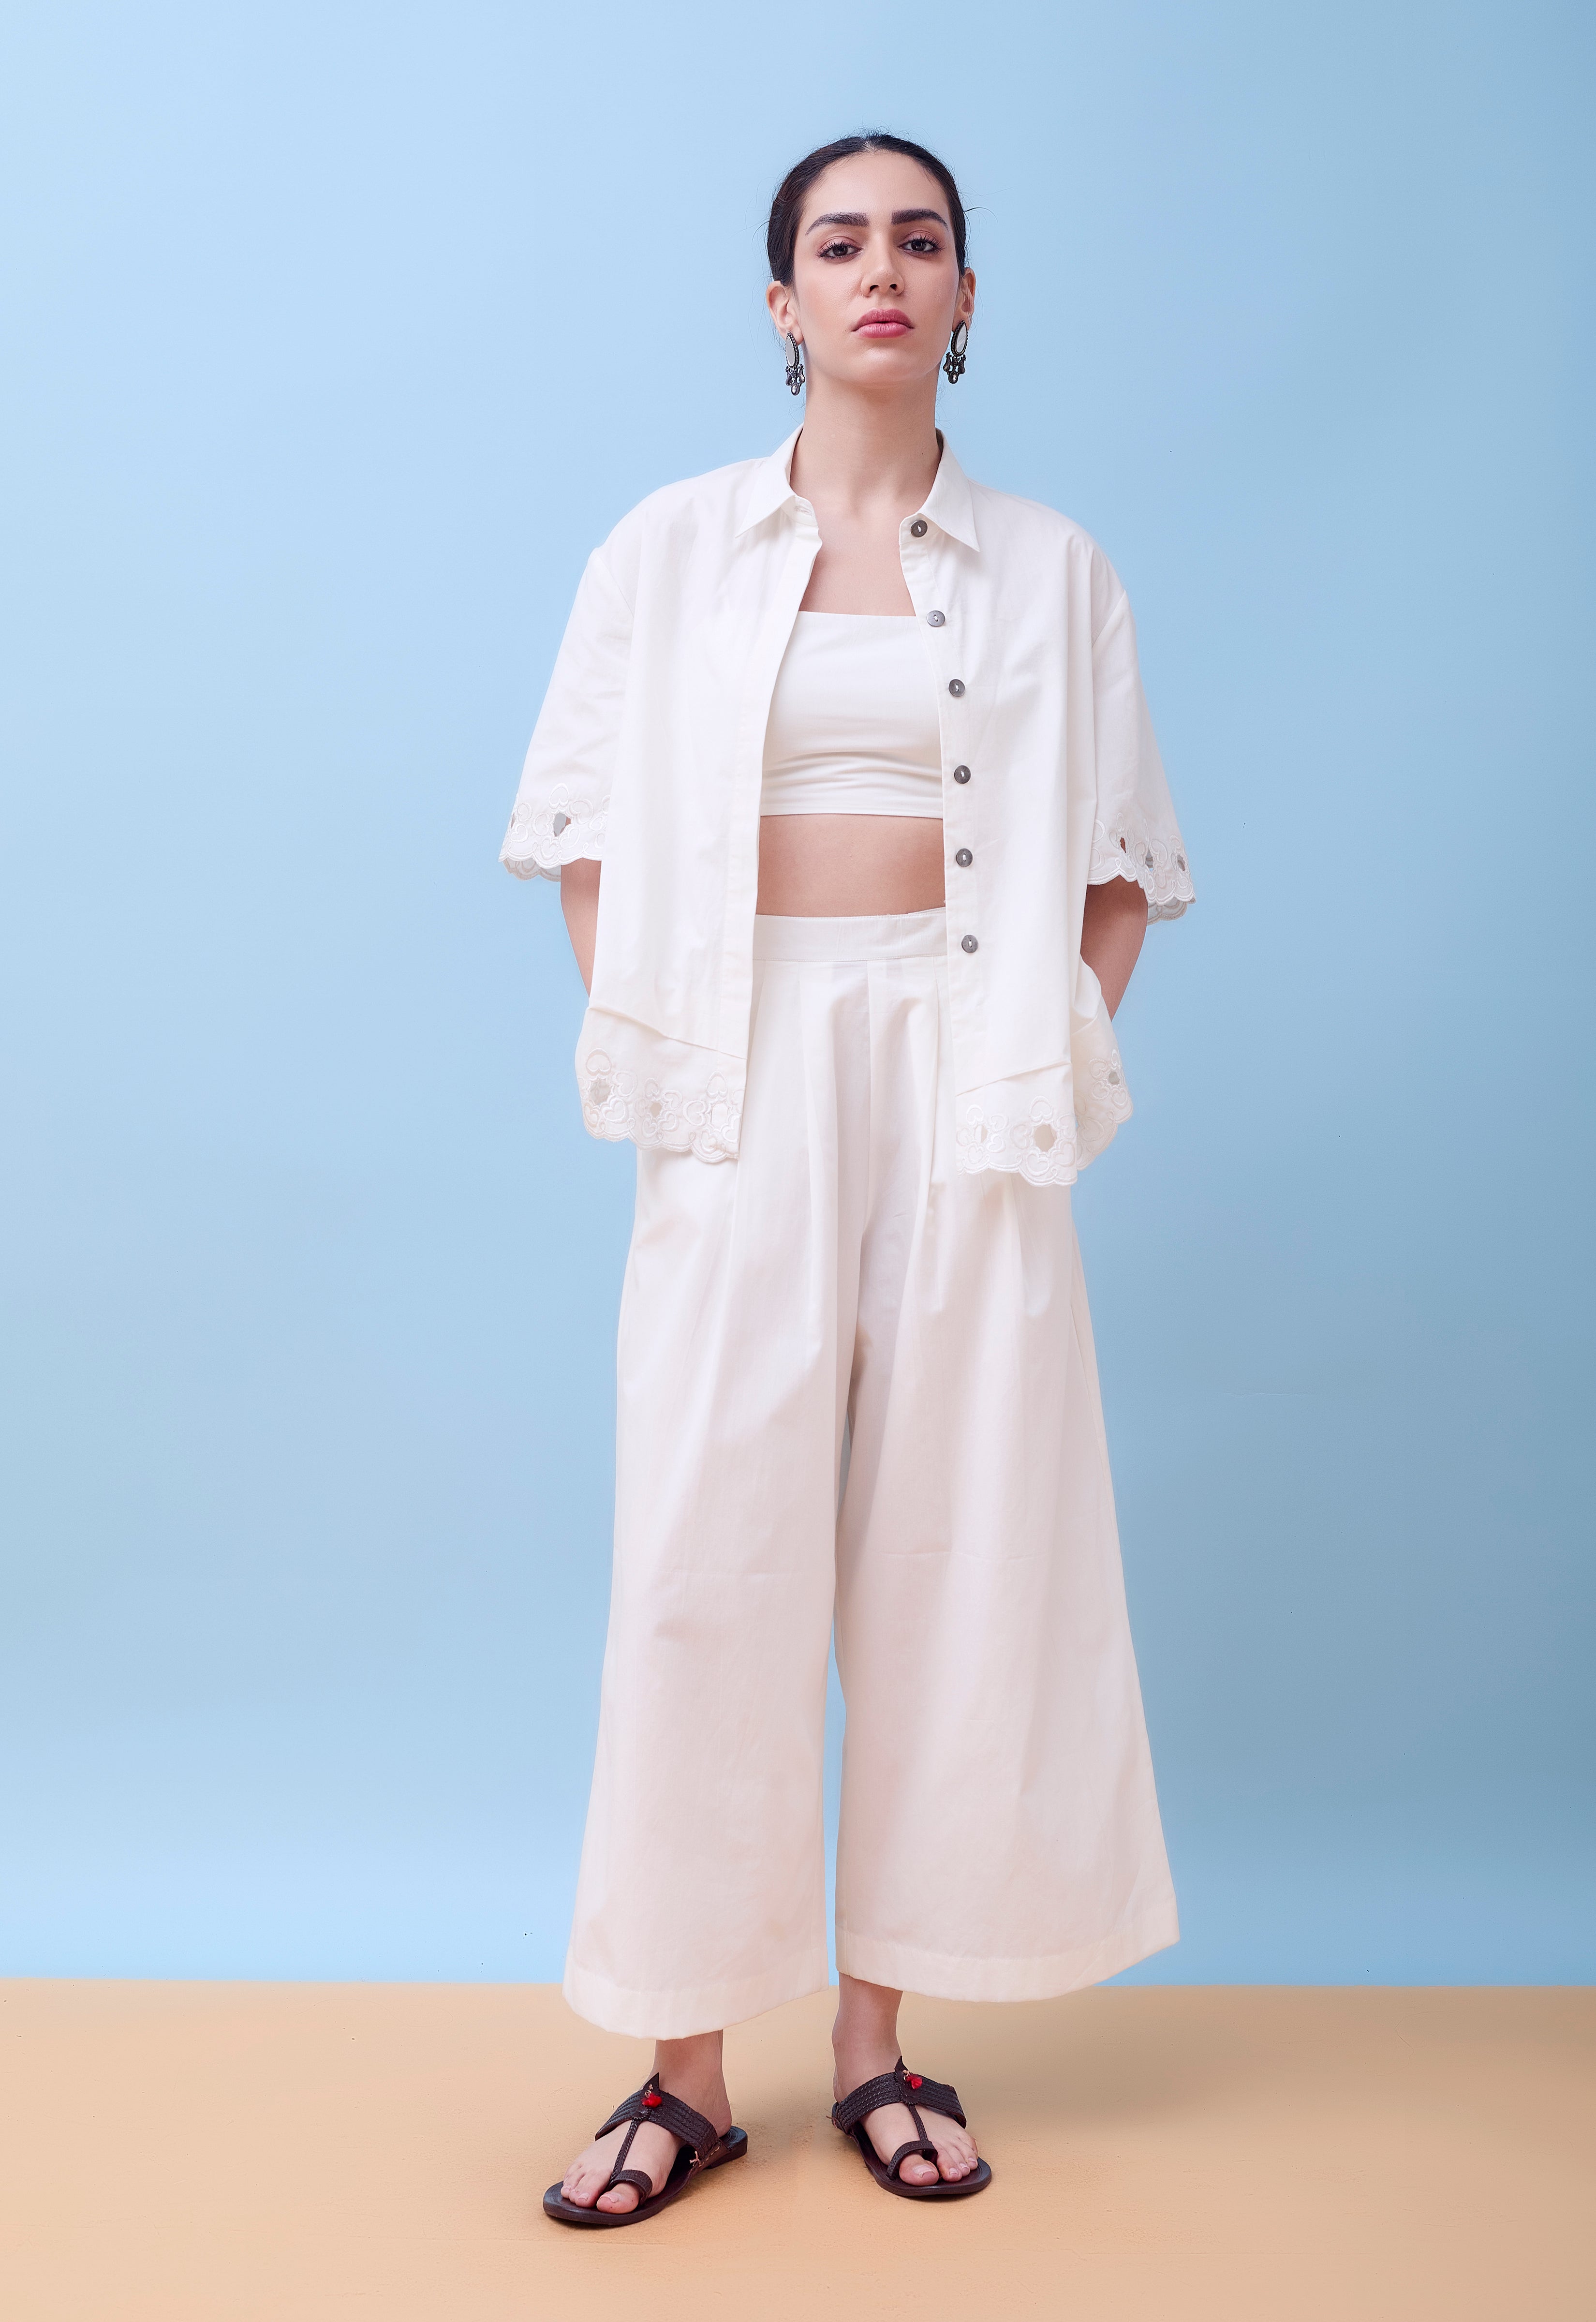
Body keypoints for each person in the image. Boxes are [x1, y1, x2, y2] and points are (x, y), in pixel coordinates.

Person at [503, 131, 1195, 2226]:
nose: (880, 268)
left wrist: (1032, 1062)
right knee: (703, 1551)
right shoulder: (666, 552)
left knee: (956, 1554)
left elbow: (1121, 870)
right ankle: (683, 2073)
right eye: (838, 241)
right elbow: (581, 835)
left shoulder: (1056, 571)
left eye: (921, 240)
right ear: (782, 300)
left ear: (965, 296)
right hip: (741, 1062)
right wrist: (684, 1061)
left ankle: (878, 2045)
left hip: (971, 1064)